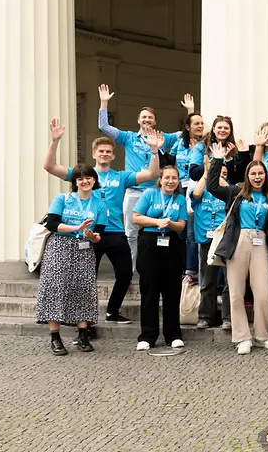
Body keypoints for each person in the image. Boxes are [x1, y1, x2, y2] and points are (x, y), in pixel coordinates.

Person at [43, 119, 161, 324]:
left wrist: (153, 150)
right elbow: (50, 166)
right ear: (94, 154)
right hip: (87, 233)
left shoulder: (122, 176)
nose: (105, 154)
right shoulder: (83, 175)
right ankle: (83, 320)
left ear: (114, 155)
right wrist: (54, 142)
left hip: (115, 231)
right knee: (85, 278)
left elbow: (152, 174)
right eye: (101, 151)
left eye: (108, 151)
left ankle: (112, 311)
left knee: (125, 274)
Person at [97, 84, 185, 268]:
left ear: (154, 121)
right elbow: (103, 126)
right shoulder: (128, 137)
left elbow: (185, 134)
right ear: (138, 120)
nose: (147, 120)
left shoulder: (163, 138)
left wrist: (190, 111)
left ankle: (149, 266)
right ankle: (131, 270)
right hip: (134, 190)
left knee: (156, 229)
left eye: (150, 117)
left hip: (156, 191)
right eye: (144, 117)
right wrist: (104, 103)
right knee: (131, 232)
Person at [206, 145, 268, 355]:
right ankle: (242, 337)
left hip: (261, 241)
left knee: (264, 291)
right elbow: (212, 186)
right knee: (236, 293)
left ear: (266, 176)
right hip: (238, 241)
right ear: (247, 176)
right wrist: (217, 160)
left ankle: (262, 334)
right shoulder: (236, 192)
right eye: (253, 174)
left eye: (260, 173)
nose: (257, 177)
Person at [38, 164, 108, 355]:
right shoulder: (63, 199)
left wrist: (92, 236)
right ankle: (55, 337)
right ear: (74, 182)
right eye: (80, 179)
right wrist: (75, 228)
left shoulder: (100, 205)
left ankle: (83, 334)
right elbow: (51, 223)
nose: (84, 181)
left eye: (88, 178)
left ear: (94, 180)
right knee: (55, 289)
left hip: (84, 250)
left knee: (83, 290)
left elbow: (99, 234)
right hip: (59, 247)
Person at [132, 165, 188, 351]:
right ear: (161, 179)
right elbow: (136, 218)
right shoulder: (149, 194)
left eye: (174, 178)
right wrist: (157, 221)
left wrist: (169, 223)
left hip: (171, 243)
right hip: (150, 241)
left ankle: (173, 335)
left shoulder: (179, 199)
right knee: (149, 290)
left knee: (172, 290)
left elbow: (181, 226)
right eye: (167, 178)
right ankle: (148, 336)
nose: (171, 181)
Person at [191, 156, 229, 330]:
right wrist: (207, 172)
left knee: (230, 281)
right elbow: (196, 194)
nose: (221, 176)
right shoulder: (202, 189)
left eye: (225, 173)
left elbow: (233, 194)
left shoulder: (228, 191)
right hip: (207, 240)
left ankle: (228, 317)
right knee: (208, 280)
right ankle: (206, 316)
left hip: (226, 240)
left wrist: (219, 176)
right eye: (218, 173)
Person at [169, 111, 205, 279]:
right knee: (179, 230)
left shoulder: (205, 144)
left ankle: (191, 270)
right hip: (178, 188)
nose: (200, 126)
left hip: (195, 188)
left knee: (191, 230)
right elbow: (169, 161)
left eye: (202, 123)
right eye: (196, 123)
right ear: (187, 127)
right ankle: (178, 266)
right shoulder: (179, 143)